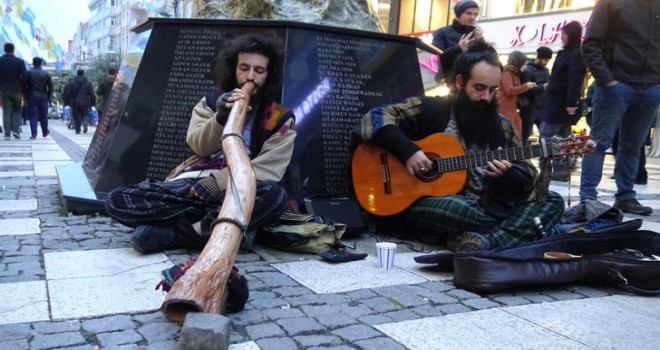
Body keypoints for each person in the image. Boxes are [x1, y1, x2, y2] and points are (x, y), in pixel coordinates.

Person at [353, 40, 564, 251]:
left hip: (485, 202)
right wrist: (408, 152)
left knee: (552, 200)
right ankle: (509, 234)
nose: (486, 98)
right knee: (462, 210)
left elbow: (528, 176)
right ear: (461, 82)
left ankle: (481, 241)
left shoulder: (503, 127)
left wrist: (508, 175)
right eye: (479, 88)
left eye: (492, 90)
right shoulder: (433, 109)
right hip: (431, 204)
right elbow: (374, 118)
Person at [105, 33, 296, 254]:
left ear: (268, 75)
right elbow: (199, 146)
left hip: (241, 190)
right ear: (233, 68)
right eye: (244, 68)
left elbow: (269, 169)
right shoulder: (210, 102)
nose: (250, 77)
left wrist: (221, 181)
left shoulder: (282, 119)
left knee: (274, 197)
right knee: (117, 200)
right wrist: (220, 118)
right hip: (194, 187)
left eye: (259, 71)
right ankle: (217, 228)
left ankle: (175, 234)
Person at [579, 0, 660, 215]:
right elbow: (590, 44)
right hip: (616, 84)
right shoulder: (612, 2)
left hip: (651, 86)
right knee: (598, 143)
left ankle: (626, 196)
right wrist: (607, 81)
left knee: (633, 145)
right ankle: (587, 199)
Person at [537, 21, 587, 181]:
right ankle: (565, 165)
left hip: (562, 104)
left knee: (546, 133)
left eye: (564, 34)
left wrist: (572, 103)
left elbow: (575, 79)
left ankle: (558, 166)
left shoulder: (576, 54)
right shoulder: (564, 53)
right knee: (563, 135)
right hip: (555, 101)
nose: (562, 37)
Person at [432, 0, 482, 85]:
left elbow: (487, 59)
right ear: (458, 14)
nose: (472, 17)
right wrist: (458, 48)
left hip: (471, 83)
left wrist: (480, 43)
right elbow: (435, 59)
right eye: (468, 13)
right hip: (448, 83)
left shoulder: (477, 34)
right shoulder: (442, 32)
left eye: (475, 14)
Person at [496, 50, 536, 138]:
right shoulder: (506, 73)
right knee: (510, 130)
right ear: (519, 62)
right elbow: (509, 90)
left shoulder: (516, 73)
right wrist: (526, 86)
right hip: (504, 106)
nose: (526, 67)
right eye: (524, 64)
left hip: (511, 107)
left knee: (517, 129)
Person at [520, 46, 552, 144]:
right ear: (539, 57)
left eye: (548, 60)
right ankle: (520, 156)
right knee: (525, 133)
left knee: (544, 133)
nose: (546, 62)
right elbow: (528, 90)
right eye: (545, 60)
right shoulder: (528, 70)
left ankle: (544, 157)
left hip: (543, 106)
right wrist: (544, 87)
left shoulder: (545, 70)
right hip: (529, 106)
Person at [0, 43, 27, 140]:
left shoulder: (1, 61)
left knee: (6, 111)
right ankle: (15, 130)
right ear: (13, 50)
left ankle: (7, 133)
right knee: (17, 111)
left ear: (4, 49)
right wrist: (23, 88)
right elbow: (24, 76)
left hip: (3, 90)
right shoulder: (20, 61)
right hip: (17, 90)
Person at [24, 57, 53, 140]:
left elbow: (24, 85)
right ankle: (45, 132)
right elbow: (51, 87)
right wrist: (48, 95)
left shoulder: (29, 73)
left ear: (33, 63)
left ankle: (33, 134)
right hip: (43, 96)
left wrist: (26, 95)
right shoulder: (46, 74)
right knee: (44, 116)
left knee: (33, 116)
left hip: (31, 96)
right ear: (41, 63)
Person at [63, 69, 95, 134]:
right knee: (85, 114)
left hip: (75, 102)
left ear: (77, 74)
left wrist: (66, 102)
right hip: (85, 101)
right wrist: (93, 104)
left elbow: (68, 93)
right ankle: (85, 123)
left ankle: (78, 129)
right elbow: (91, 94)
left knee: (76, 116)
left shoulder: (72, 82)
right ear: (83, 74)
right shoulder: (88, 83)